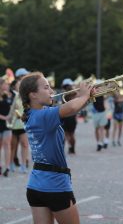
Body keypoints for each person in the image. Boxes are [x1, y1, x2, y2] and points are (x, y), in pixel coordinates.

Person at [19, 72, 95, 224]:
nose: (52, 91)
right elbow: (72, 106)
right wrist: (84, 95)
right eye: (46, 88)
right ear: (33, 94)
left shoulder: (35, 114)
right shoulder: (44, 116)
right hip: (56, 185)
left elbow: (72, 109)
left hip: (36, 185)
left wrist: (86, 98)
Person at [61, 79, 77, 154]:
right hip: (73, 116)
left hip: (65, 115)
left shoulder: (63, 93)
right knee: (72, 134)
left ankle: (70, 147)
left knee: (66, 133)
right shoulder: (74, 93)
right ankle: (72, 148)